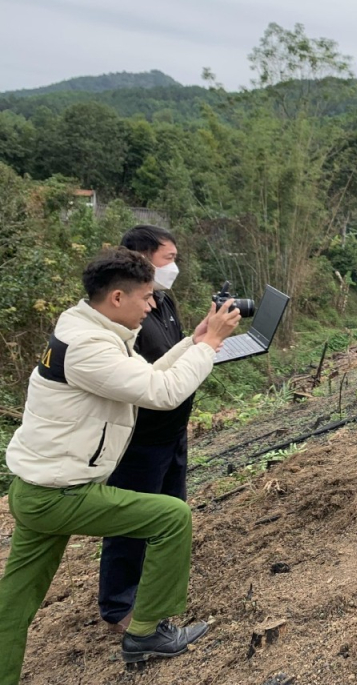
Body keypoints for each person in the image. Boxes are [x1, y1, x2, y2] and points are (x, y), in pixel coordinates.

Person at [0, 248, 240, 683]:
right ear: (116, 297)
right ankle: (146, 631)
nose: (152, 306)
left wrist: (195, 340)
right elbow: (164, 393)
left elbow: (147, 375)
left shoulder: (90, 330)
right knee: (171, 516)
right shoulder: (89, 347)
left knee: (13, 604)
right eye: (146, 297)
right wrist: (209, 345)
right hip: (60, 493)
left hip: (38, 489)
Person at [98, 225, 190, 634]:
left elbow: (177, 351)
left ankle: (154, 592)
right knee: (130, 526)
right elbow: (151, 379)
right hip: (139, 438)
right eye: (169, 259)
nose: (174, 268)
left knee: (170, 512)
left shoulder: (164, 303)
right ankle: (119, 608)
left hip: (173, 430)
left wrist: (203, 343)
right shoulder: (122, 319)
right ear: (141, 256)